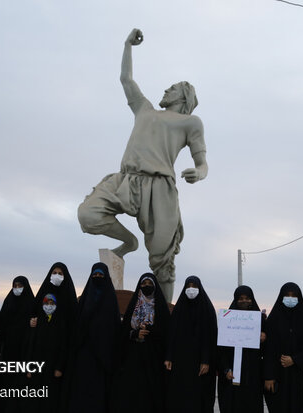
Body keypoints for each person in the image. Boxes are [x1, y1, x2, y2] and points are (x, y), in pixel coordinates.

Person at [77, 28, 208, 302]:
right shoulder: (145, 109)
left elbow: (202, 163)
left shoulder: (190, 123)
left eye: (172, 88)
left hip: (160, 189)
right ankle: (130, 242)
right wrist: (127, 45)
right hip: (125, 180)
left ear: (183, 97)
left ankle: (163, 314)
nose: (166, 89)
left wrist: (198, 172)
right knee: (88, 215)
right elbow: (126, 79)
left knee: (163, 260)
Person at [111, 273, 171, 413]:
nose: (147, 287)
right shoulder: (134, 306)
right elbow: (123, 332)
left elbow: (166, 332)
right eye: (144, 284)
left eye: (150, 284)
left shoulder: (160, 307)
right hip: (133, 357)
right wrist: (134, 333)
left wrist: (150, 330)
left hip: (154, 358)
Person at [68, 263, 121, 413]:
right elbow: (78, 323)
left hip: (103, 356)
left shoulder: (110, 300)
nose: (97, 278)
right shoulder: (85, 299)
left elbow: (114, 326)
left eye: (101, 275)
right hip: (84, 351)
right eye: (95, 275)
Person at [0, 276, 35, 413]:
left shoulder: (31, 305)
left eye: (20, 285)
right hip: (2, 355)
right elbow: (0, 325)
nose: (17, 289)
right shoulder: (8, 302)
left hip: (20, 356)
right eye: (14, 286)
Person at [165, 276, 217, 413]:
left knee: (198, 396)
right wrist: (169, 357)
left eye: (194, 286)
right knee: (179, 395)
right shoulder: (179, 309)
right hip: (180, 361)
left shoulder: (207, 309)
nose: (191, 289)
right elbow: (172, 335)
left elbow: (210, 337)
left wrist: (206, 360)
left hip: (200, 363)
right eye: (188, 286)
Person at [263, 282, 303, 413]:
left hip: (300, 375)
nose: (290, 298)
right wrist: (269, 376)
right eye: (287, 295)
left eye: (294, 295)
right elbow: (268, 350)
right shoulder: (273, 319)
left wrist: (295, 359)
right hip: (279, 375)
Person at [217, 285, 265, 413]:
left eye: (247, 298)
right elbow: (221, 350)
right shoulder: (227, 319)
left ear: (252, 299)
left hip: (253, 374)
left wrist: (264, 338)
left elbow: (268, 349)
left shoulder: (260, 320)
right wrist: (226, 369)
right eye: (241, 298)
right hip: (231, 375)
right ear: (235, 300)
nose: (244, 301)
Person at [24, 293, 67, 410]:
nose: (49, 306)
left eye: (52, 304)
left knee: (49, 400)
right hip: (37, 366)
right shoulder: (38, 321)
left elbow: (63, 346)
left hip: (52, 367)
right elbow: (31, 345)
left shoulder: (60, 322)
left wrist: (59, 367)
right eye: (47, 303)